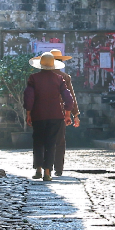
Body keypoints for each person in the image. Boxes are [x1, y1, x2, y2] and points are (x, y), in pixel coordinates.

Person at [22, 51, 75, 182]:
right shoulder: (59, 79)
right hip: (56, 116)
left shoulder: (33, 78)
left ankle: (38, 169)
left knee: (38, 142)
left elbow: (29, 97)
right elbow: (68, 98)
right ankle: (47, 172)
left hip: (38, 115)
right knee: (51, 143)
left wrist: (29, 113)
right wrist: (67, 114)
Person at [44, 52, 80, 179]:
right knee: (59, 141)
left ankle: (47, 168)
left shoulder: (41, 76)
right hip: (59, 113)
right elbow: (71, 98)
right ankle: (58, 169)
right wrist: (74, 114)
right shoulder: (64, 77)